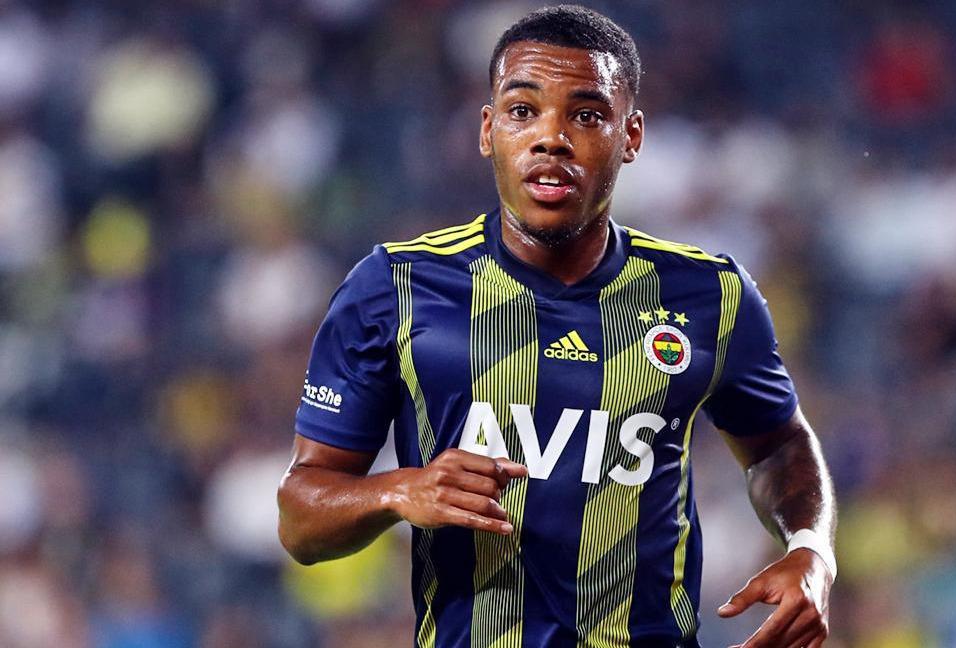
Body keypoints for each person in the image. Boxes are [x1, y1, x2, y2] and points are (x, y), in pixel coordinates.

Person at [277, 5, 836, 647]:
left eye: (587, 115)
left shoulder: (710, 294)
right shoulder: (394, 287)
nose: (551, 138)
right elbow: (300, 519)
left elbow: (778, 447)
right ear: (487, 129)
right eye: (523, 111)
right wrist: (398, 492)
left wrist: (810, 546)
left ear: (631, 137)